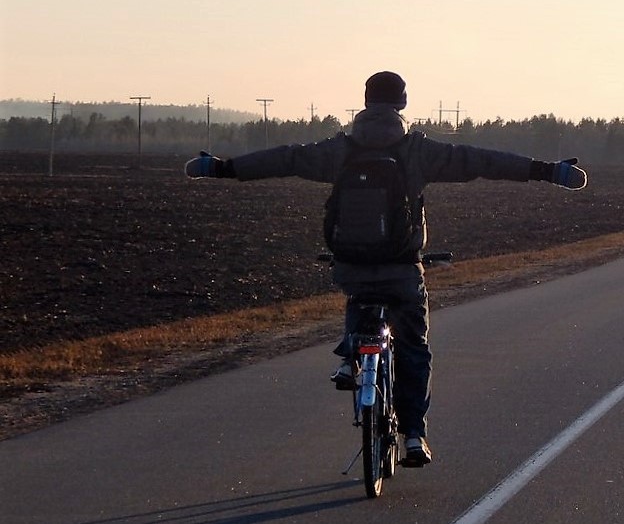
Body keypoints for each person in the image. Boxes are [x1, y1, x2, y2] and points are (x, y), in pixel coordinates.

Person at [185, 71, 587, 466]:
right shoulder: (418, 151)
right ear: (402, 104)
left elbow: (285, 158)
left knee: (357, 292)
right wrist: (547, 171)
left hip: (352, 264)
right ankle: (414, 435)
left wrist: (222, 167)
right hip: (402, 270)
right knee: (413, 348)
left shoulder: (339, 149)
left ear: (364, 103)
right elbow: (481, 160)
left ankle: (349, 356)